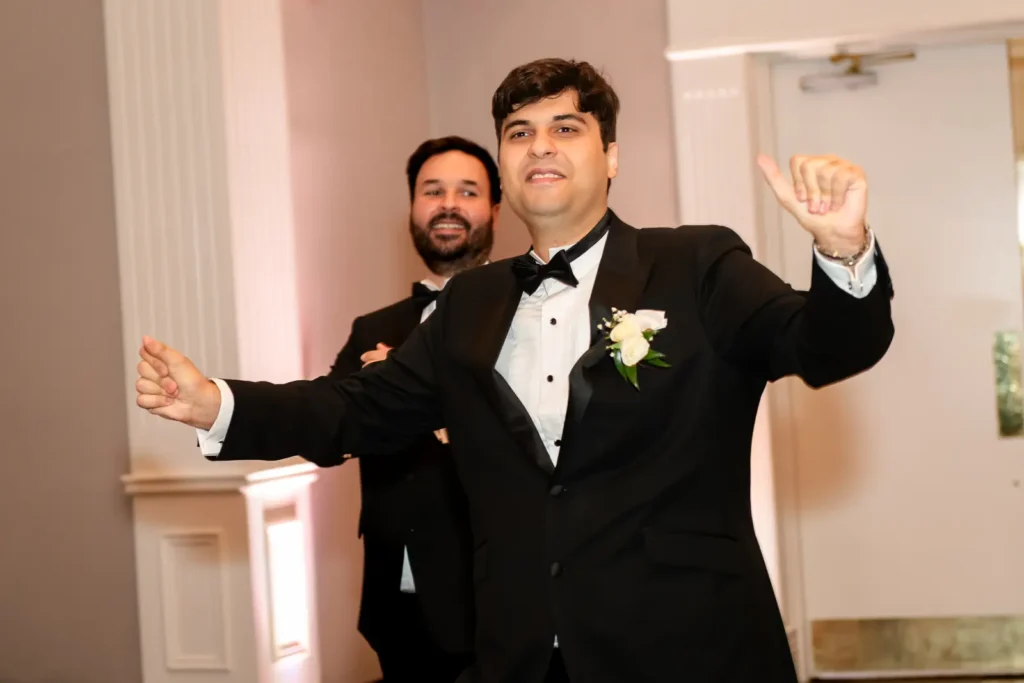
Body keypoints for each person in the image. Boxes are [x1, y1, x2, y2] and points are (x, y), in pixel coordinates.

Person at [135, 58, 894, 683]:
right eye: (519, 132)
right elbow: (357, 407)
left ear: (612, 156)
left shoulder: (696, 262)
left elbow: (825, 345)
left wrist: (843, 252)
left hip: (689, 646)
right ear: (504, 159)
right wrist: (218, 406)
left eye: (567, 128)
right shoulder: (469, 301)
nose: (540, 146)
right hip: (520, 655)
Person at [330, 136, 499, 682]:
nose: (447, 204)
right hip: (395, 603)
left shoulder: (528, 312)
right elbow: (332, 426)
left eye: (467, 191)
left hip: (496, 595)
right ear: (411, 208)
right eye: (432, 191)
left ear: (495, 207)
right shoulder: (373, 329)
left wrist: (411, 393)